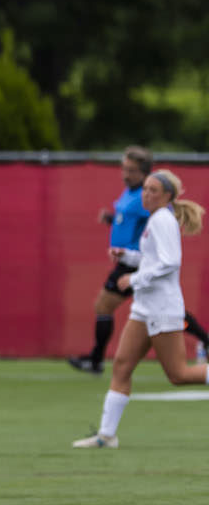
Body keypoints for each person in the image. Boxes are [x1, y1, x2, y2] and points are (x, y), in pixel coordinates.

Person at [73, 169, 206, 449]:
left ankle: (106, 435)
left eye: (153, 190)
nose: (146, 194)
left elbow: (170, 262)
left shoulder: (162, 220)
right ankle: (106, 436)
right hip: (144, 307)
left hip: (162, 308)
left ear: (167, 195)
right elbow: (152, 259)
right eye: (145, 188)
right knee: (121, 366)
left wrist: (132, 279)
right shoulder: (154, 219)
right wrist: (129, 256)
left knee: (178, 375)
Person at [70, 147, 208, 373]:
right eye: (124, 169)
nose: (126, 174)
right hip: (133, 261)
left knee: (105, 306)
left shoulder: (152, 203)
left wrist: (135, 274)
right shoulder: (131, 193)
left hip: (139, 265)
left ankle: (95, 360)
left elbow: (162, 220)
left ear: (144, 173)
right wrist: (112, 220)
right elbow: (129, 219)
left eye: (131, 170)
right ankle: (205, 339)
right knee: (168, 315)